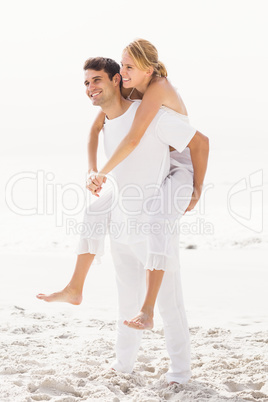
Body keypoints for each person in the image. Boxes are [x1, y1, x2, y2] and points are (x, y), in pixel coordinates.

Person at [38, 56, 209, 384]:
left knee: (170, 307)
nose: (90, 88)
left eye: (97, 80)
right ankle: (123, 366)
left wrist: (196, 188)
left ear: (117, 80)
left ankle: (181, 374)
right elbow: (100, 145)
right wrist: (92, 172)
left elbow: (199, 142)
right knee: (125, 303)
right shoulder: (104, 120)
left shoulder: (151, 116)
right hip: (121, 224)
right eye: (86, 83)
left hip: (154, 226)